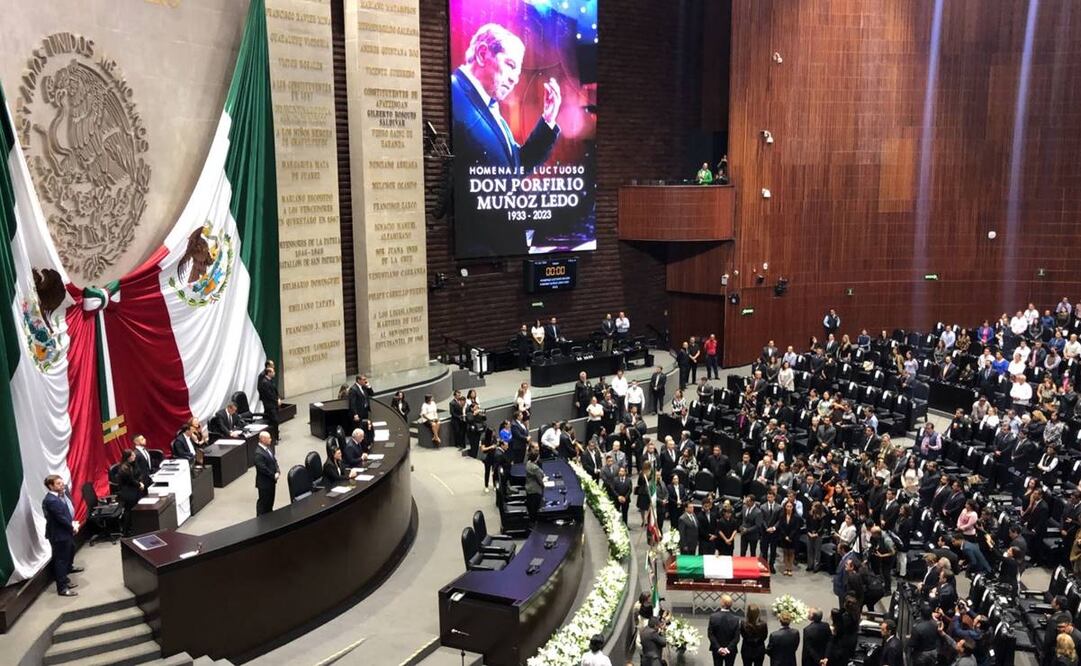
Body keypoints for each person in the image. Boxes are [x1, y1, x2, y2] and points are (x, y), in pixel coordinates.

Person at [450, 24, 561, 255]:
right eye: (510, 65)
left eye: (518, 73)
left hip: (503, 253)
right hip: (479, 255)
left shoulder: (491, 108)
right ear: (482, 54)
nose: (514, 79)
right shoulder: (454, 94)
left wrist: (548, 119)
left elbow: (515, 168)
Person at [42, 475, 82, 597]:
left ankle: (65, 580)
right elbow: (61, 518)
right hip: (59, 535)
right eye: (58, 483)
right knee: (61, 561)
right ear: (51, 486)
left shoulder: (58, 497)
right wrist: (72, 527)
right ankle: (62, 588)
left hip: (64, 532)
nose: (62, 485)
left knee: (67, 556)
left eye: (62, 482)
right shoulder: (51, 500)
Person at [709, 594, 742, 666]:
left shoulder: (713, 617)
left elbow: (711, 635)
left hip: (716, 649)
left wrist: (719, 648)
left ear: (721, 603)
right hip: (731, 650)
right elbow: (736, 637)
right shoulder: (735, 619)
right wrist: (728, 649)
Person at [116, 449, 144, 537]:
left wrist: (140, 482)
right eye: (132, 455)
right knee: (129, 510)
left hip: (134, 488)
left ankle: (135, 527)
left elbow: (139, 473)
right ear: (128, 457)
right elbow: (130, 480)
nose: (134, 456)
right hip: (127, 491)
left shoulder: (133, 463)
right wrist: (139, 484)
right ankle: (126, 531)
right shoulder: (124, 468)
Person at [254, 431, 279, 516]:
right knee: (263, 504)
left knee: (270, 503)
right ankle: (261, 520)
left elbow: (274, 460)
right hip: (264, 484)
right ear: (263, 439)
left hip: (271, 481)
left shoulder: (268, 448)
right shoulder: (258, 453)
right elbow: (263, 469)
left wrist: (277, 470)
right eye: (269, 438)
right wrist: (273, 475)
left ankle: (269, 517)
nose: (271, 439)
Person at [777, 501, 803, 577]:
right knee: (785, 552)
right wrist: (785, 536)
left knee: (791, 553)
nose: (789, 508)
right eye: (787, 506)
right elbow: (780, 527)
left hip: (793, 537)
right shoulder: (782, 516)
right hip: (784, 537)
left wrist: (790, 537)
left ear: (793, 507)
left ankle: (790, 568)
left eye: (790, 506)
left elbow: (796, 528)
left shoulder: (796, 517)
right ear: (785, 507)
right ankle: (786, 568)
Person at [258, 365, 282, 440]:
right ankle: (275, 437)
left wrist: (278, 398)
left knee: (275, 420)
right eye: (273, 372)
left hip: (274, 404)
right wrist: (276, 400)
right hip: (269, 405)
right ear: (269, 373)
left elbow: (275, 391)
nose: (274, 373)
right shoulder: (265, 382)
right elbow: (269, 395)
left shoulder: (270, 380)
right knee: (274, 420)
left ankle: (275, 436)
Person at [524, 451, 546, 524]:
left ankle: (531, 520)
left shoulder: (528, 463)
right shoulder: (535, 468)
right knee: (535, 507)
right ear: (536, 458)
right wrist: (543, 486)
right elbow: (540, 479)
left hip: (528, 487)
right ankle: (534, 522)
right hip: (535, 489)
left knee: (531, 506)